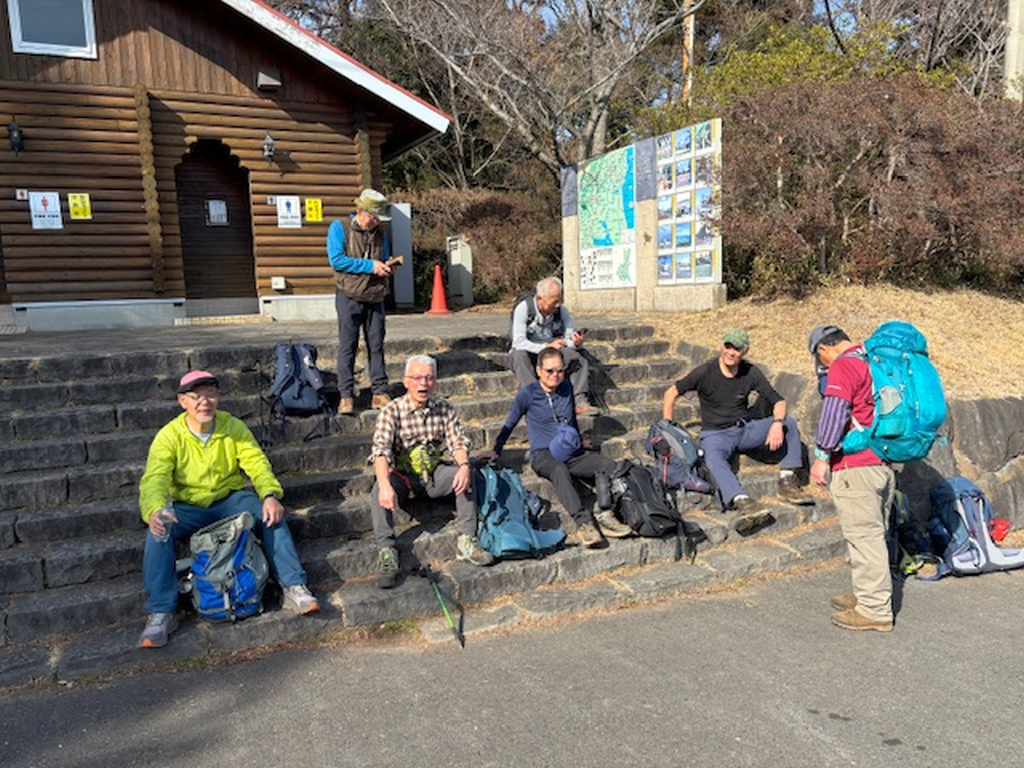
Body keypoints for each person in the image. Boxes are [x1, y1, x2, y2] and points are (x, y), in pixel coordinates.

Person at [137, 370, 318, 649]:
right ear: (182, 401)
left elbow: (256, 463)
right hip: (187, 506)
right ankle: (161, 611)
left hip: (229, 501)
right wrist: (155, 509)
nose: (204, 402)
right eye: (196, 397)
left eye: (210, 394)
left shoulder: (232, 426)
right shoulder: (169, 436)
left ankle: (293, 587)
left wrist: (269, 494)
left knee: (270, 514)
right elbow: (155, 478)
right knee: (160, 530)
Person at [662, 328, 813, 533]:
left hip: (744, 430)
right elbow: (671, 393)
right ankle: (743, 501)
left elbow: (778, 401)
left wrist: (777, 423)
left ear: (744, 351)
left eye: (737, 348)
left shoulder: (750, 371)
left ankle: (787, 482)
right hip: (715, 435)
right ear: (722, 345)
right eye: (728, 346)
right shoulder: (705, 371)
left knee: (789, 422)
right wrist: (668, 427)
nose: (731, 352)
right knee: (713, 458)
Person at [369, 355, 494, 589]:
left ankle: (466, 539)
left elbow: (457, 442)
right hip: (402, 477)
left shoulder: (444, 409)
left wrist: (465, 466)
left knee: (465, 475)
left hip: (434, 474)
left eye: (428, 378)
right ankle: (386, 551)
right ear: (406, 381)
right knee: (378, 489)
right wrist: (385, 485)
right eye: (417, 378)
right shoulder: (391, 411)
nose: (423, 383)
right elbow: (380, 451)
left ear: (434, 382)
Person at [491, 346, 633, 547]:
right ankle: (584, 524)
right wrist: (496, 450)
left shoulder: (566, 388)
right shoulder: (528, 394)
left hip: (569, 450)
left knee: (605, 463)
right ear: (538, 370)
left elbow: (571, 419)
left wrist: (578, 441)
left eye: (559, 370)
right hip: (543, 455)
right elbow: (510, 423)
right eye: (549, 370)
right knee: (559, 470)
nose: (555, 375)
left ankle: (606, 514)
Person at [808, 325, 895, 632]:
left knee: (864, 537)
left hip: (856, 467)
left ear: (823, 349)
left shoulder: (844, 365)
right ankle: (866, 595)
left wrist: (821, 457)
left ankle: (874, 610)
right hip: (882, 462)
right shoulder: (874, 361)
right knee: (871, 535)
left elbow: (835, 412)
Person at [327, 188, 396, 415]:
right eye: (372, 217)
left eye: (378, 218)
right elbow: (337, 260)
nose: (375, 222)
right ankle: (346, 395)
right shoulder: (339, 228)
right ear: (360, 210)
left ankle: (379, 391)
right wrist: (370, 266)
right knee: (348, 346)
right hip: (348, 295)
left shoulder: (381, 233)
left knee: (376, 345)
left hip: (375, 295)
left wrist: (387, 266)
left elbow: (382, 257)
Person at [509, 276, 597, 416]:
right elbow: (518, 342)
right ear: (540, 299)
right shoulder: (524, 308)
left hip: (552, 352)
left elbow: (568, 336)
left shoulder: (561, 311)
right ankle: (537, 401)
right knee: (519, 356)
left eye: (559, 300)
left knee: (578, 358)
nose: (557, 305)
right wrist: (546, 347)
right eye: (554, 301)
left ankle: (579, 400)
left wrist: (573, 342)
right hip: (530, 351)